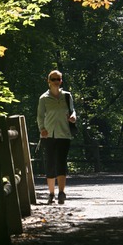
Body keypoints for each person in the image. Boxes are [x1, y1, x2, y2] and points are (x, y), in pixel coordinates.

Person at [37, 70, 76, 205]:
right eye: (53, 79)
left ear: (61, 81)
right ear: (48, 81)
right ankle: (51, 193)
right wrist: (42, 129)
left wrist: (73, 117)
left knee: (61, 162)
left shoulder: (67, 96)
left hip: (64, 133)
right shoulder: (44, 98)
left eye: (58, 79)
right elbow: (40, 116)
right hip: (48, 135)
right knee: (50, 163)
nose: (55, 81)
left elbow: (72, 110)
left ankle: (61, 192)